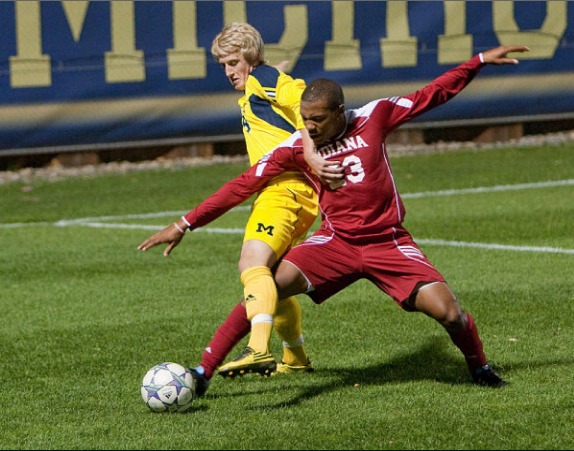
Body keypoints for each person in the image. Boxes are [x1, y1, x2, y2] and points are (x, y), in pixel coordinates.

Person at [139, 45, 529, 388]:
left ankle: (480, 368)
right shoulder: (297, 147)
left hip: (387, 242)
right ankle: (203, 372)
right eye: (304, 119)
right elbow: (242, 185)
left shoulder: (376, 116)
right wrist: (184, 223)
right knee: (267, 286)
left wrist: (478, 61)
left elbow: (433, 94)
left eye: (317, 119)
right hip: (336, 243)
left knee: (450, 313)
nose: (309, 127)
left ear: (339, 112)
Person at [156, 22, 339, 396]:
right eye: (223, 65)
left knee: (251, 264)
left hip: (283, 191)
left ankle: (258, 347)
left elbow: (299, 98)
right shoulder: (260, 83)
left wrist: (308, 149)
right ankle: (296, 357)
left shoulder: (262, 79)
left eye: (232, 62)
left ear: (251, 57)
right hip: (298, 195)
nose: (228, 71)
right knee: (271, 280)